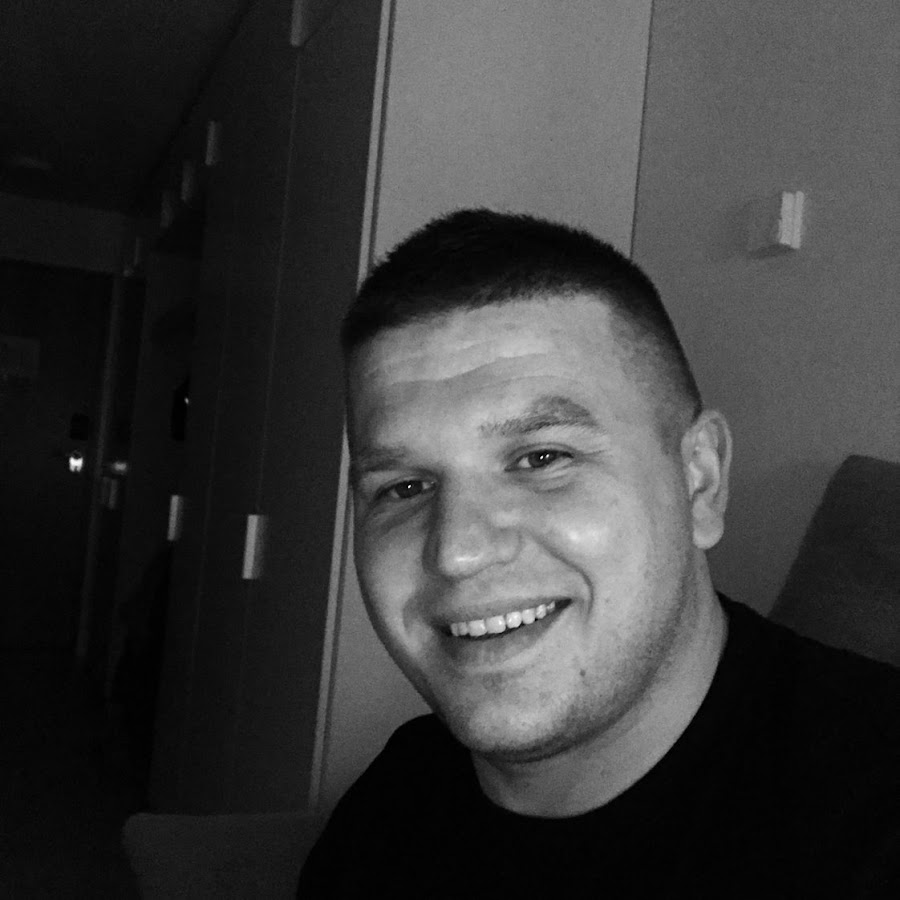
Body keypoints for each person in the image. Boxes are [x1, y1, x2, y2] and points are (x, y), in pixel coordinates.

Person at [298, 209, 898, 898]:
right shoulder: (395, 802)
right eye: (404, 487)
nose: (458, 551)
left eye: (542, 457)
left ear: (699, 481)